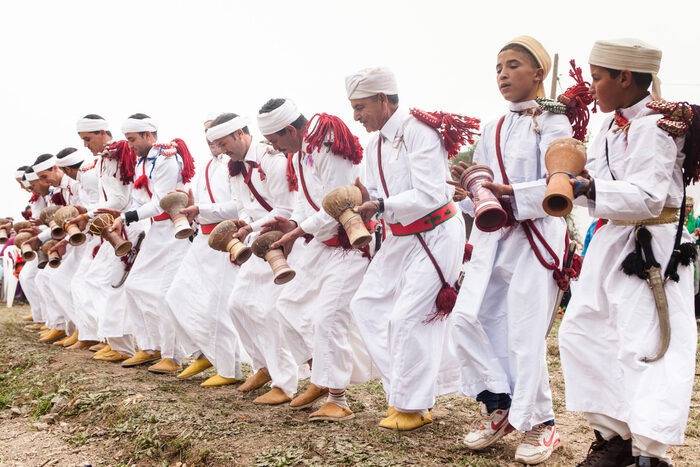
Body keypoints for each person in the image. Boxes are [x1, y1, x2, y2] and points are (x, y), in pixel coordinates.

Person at [559, 38, 697, 467]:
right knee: (583, 333)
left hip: (652, 248)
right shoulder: (611, 125)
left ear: (624, 77)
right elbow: (597, 188)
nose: (592, 86)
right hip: (611, 241)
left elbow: (651, 198)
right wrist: (550, 187)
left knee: (647, 345)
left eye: (598, 77)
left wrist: (591, 188)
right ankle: (614, 437)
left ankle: (650, 453)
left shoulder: (656, 124)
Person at [449, 36, 570, 464]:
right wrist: (469, 189)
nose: (502, 74)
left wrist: (511, 191)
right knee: (470, 318)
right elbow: (481, 190)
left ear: (539, 73)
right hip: (494, 237)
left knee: (523, 330)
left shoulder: (555, 121)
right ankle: (498, 404)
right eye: (498, 67)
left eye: (513, 65)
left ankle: (542, 424)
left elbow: (561, 181)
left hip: (536, 234)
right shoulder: (492, 127)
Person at [346, 67, 465, 431]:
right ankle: (405, 391)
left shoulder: (419, 130)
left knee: (408, 318)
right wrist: (364, 201)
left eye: (361, 106)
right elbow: (380, 195)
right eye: (352, 108)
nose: (356, 116)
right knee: (365, 306)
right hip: (399, 236)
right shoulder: (373, 144)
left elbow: (430, 194)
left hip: (436, 233)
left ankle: (412, 407)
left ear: (384, 99)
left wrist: (380, 206)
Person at [257, 98, 373, 421]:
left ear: (291, 130)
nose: (274, 147)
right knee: (288, 304)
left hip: (350, 244)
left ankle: (339, 398)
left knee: (328, 317)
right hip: (321, 243)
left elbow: (340, 201)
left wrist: (299, 232)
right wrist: (291, 225)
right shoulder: (296, 156)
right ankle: (320, 376)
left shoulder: (325, 141)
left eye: (276, 140)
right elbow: (301, 205)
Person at [207, 112, 299, 397]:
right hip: (257, 238)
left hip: (281, 238)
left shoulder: (271, 158)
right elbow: (243, 206)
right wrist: (245, 225)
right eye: (218, 147)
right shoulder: (235, 167)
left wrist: (251, 226)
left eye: (225, 144)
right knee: (238, 305)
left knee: (270, 311)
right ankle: (263, 367)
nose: (223, 152)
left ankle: (284, 383)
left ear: (239, 133)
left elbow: (285, 208)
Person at [106, 114, 194, 371]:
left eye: (132, 139)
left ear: (148, 135)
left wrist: (126, 217)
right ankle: (149, 347)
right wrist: (126, 220)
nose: (129, 144)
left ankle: (172, 356)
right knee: (134, 286)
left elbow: (160, 203)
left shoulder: (167, 158)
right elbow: (139, 201)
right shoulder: (140, 162)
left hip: (177, 230)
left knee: (163, 294)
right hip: (156, 230)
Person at [162, 117, 244, 385]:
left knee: (220, 306)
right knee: (177, 296)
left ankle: (229, 371)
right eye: (207, 135)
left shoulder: (235, 166)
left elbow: (238, 206)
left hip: (226, 239)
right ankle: (203, 353)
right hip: (201, 240)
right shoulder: (208, 166)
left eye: (217, 136)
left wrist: (202, 210)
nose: (211, 141)